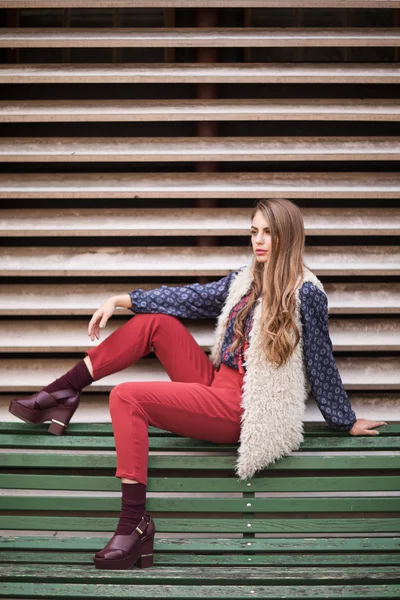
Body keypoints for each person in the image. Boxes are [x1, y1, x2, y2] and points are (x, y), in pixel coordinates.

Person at [9, 198, 387, 571]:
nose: (259, 240)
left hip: (242, 408)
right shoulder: (246, 279)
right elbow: (190, 297)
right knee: (157, 323)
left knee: (127, 397)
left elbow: (321, 359)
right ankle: (63, 390)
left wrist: (344, 420)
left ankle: (133, 524)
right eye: (254, 231)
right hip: (216, 384)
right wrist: (121, 299)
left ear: (288, 236)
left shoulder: (305, 294)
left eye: (269, 232)